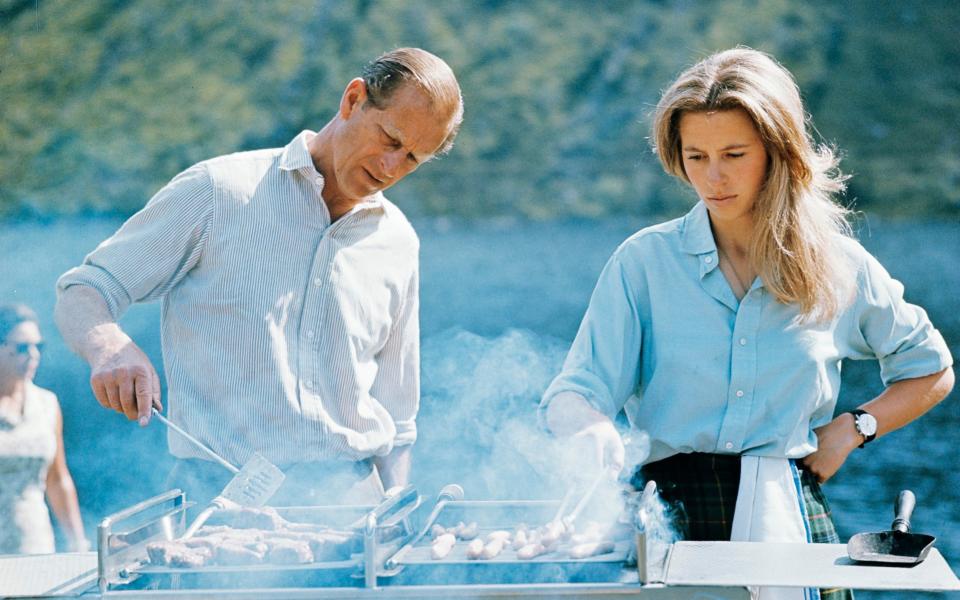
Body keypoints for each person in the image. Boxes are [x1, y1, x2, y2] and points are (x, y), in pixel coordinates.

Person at [539, 48, 953, 600]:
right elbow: (575, 390)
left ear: (776, 152)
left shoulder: (839, 265)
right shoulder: (643, 262)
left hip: (791, 515)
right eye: (696, 156)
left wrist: (854, 429)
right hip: (667, 524)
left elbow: (931, 370)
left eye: (734, 153)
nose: (714, 177)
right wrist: (589, 424)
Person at [55, 48, 463, 506]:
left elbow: (398, 417)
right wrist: (108, 345)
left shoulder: (398, 243)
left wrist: (392, 513)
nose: (391, 168)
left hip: (351, 505)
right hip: (219, 500)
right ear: (353, 100)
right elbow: (85, 289)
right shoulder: (218, 192)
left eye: (412, 159)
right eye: (390, 139)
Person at [0, 304, 88, 554]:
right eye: (21, 348)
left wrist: (77, 542)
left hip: (33, 543)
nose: (33, 355)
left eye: (38, 346)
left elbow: (57, 478)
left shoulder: (47, 404)